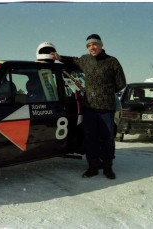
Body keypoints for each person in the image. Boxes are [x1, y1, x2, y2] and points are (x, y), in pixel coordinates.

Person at [51, 34, 127, 179]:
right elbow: (73, 61)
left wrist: (105, 91)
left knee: (107, 138)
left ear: (101, 45)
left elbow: (121, 83)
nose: (92, 47)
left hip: (106, 108)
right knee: (90, 138)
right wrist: (59, 57)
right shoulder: (85, 60)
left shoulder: (112, 62)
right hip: (90, 107)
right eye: (89, 45)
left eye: (94, 44)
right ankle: (92, 167)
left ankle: (107, 168)